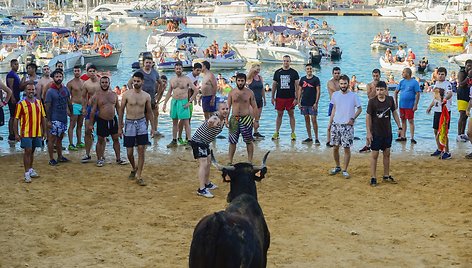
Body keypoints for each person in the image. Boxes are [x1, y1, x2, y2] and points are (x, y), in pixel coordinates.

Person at [118, 72, 155, 186]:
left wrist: (153, 128)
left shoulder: (146, 96)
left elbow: (149, 112)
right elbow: (121, 110)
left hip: (141, 122)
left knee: (141, 150)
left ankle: (139, 175)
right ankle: (134, 168)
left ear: (142, 82)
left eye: (138, 81)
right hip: (129, 123)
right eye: (134, 81)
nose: (136, 83)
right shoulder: (126, 95)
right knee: (129, 152)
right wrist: (120, 126)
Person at [366, 81, 402, 187]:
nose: (380, 92)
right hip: (376, 132)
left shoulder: (390, 100)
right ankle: (373, 177)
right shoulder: (372, 102)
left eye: (381, 90)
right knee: (374, 155)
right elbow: (368, 117)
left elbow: (394, 113)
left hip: (387, 132)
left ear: (386, 90)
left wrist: (400, 126)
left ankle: (386, 175)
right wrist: (368, 132)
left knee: (387, 154)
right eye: (377, 90)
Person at [190, 102, 229, 198]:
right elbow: (211, 120)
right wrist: (211, 122)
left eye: (227, 109)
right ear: (218, 110)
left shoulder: (223, 119)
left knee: (208, 161)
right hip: (198, 141)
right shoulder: (215, 117)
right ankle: (201, 189)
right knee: (203, 163)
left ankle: (207, 183)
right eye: (223, 109)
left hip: (205, 142)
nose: (225, 111)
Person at [328, 75, 362, 179]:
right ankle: (337, 166)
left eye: (345, 83)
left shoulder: (353, 95)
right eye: (341, 84)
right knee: (335, 147)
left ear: (348, 84)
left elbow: (359, 109)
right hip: (336, 124)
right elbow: (334, 108)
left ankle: (345, 169)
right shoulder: (335, 95)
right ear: (339, 84)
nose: (343, 85)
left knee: (346, 148)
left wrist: (352, 119)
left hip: (347, 126)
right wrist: (330, 123)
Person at [89, 76, 127, 166]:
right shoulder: (97, 95)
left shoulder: (114, 94)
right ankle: (99, 159)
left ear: (109, 83)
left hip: (113, 120)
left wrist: (121, 122)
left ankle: (118, 159)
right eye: (103, 82)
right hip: (102, 120)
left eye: (106, 82)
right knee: (100, 140)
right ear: (100, 83)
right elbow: (93, 110)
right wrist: (91, 124)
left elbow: (118, 109)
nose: (104, 84)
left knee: (116, 139)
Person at [13, 82, 46, 183]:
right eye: (29, 90)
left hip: (37, 132)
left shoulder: (39, 102)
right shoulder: (21, 104)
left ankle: (31, 169)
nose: (31, 91)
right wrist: (16, 133)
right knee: (27, 151)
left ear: (35, 91)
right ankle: (26, 172)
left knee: (32, 151)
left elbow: (43, 117)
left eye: (33, 89)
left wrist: (44, 132)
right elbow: (16, 119)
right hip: (26, 132)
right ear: (25, 91)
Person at [162, 62, 198, 148]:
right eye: (177, 68)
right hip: (174, 101)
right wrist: (165, 103)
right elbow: (169, 92)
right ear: (174, 69)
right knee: (174, 122)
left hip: (183, 101)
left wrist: (190, 102)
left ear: (182, 69)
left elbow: (196, 90)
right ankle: (174, 140)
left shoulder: (187, 79)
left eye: (180, 68)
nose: (178, 70)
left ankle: (189, 141)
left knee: (186, 122)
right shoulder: (172, 79)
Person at [227, 73, 259, 164]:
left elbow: (255, 107)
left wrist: (256, 120)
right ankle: (230, 161)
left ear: (245, 81)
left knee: (248, 140)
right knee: (232, 141)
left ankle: (250, 161)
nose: (240, 83)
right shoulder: (232, 92)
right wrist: (225, 119)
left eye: (242, 81)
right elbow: (228, 107)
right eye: (238, 81)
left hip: (246, 119)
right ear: (236, 81)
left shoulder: (249, 92)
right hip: (234, 118)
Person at [128, 57, 163, 139]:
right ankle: (142, 136)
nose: (148, 64)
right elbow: (129, 84)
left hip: (151, 99)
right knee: (142, 119)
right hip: (141, 99)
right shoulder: (138, 72)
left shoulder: (155, 72)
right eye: (146, 62)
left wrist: (158, 95)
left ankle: (152, 133)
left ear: (152, 63)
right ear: (143, 63)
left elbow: (161, 84)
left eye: (149, 63)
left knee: (153, 116)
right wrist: (134, 93)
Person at [44, 69, 72, 166]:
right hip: (54, 118)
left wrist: (71, 114)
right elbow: (47, 107)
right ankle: (51, 158)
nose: (59, 78)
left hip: (63, 118)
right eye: (57, 77)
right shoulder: (50, 91)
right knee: (52, 139)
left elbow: (69, 102)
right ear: (53, 78)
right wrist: (48, 120)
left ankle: (60, 156)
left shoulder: (65, 89)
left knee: (60, 138)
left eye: (60, 76)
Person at [426, 67, 453, 159]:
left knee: (444, 132)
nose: (441, 76)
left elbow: (450, 93)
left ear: (445, 75)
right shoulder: (436, 84)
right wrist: (430, 106)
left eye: (442, 74)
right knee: (435, 130)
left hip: (445, 111)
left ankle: (447, 151)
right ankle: (439, 148)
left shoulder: (447, 84)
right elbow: (436, 98)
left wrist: (445, 99)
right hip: (437, 110)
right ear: (436, 75)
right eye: (439, 74)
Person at [271, 55, 299, 141]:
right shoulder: (277, 72)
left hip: (290, 97)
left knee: (291, 114)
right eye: (284, 61)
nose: (286, 62)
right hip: (280, 97)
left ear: (290, 62)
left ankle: (293, 132)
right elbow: (274, 85)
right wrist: (272, 97)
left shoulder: (294, 72)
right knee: (279, 115)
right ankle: (277, 132)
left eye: (287, 61)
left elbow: (297, 86)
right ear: (282, 62)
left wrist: (297, 98)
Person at [394, 68, 421, 144]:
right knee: (403, 120)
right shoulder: (402, 82)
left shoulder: (414, 82)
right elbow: (396, 92)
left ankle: (412, 137)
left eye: (403, 72)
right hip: (402, 105)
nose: (402, 74)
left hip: (410, 105)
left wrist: (416, 104)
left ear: (408, 73)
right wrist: (396, 103)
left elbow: (418, 94)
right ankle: (403, 136)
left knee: (410, 121)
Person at [81, 64, 101, 162]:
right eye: (90, 71)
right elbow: (84, 97)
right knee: (87, 131)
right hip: (90, 108)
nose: (92, 73)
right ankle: (87, 154)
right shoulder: (86, 84)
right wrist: (84, 108)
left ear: (96, 72)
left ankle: (101, 155)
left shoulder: (101, 81)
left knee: (101, 133)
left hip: (101, 108)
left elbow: (108, 93)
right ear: (87, 73)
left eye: (94, 71)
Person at [178, 63, 202, 144]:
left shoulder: (197, 76)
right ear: (193, 69)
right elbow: (188, 90)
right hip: (185, 100)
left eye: (200, 70)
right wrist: (189, 101)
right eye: (197, 70)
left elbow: (194, 89)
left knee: (188, 119)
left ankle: (186, 137)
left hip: (190, 100)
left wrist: (194, 99)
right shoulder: (189, 77)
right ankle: (180, 137)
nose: (198, 72)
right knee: (183, 119)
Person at [360, 69, 383, 153]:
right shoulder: (369, 85)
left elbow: (386, 95)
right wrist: (375, 88)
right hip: (372, 107)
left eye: (377, 76)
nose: (375, 78)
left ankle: (380, 144)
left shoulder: (383, 85)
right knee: (369, 126)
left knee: (381, 127)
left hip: (381, 107)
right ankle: (367, 145)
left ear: (380, 76)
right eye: (374, 76)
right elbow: (369, 96)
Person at [298, 64, 321, 144]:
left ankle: (317, 138)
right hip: (304, 102)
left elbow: (318, 91)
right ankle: (310, 137)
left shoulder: (316, 79)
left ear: (312, 69)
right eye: (307, 69)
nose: (309, 70)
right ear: (306, 70)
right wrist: (298, 101)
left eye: (310, 69)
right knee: (306, 119)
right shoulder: (303, 79)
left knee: (314, 120)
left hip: (312, 103)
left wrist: (316, 102)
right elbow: (300, 90)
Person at [66, 66, 84, 151]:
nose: (77, 72)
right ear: (73, 72)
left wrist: (85, 106)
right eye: (75, 71)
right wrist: (67, 108)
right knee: (72, 125)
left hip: (82, 105)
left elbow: (85, 96)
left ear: (81, 71)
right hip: (74, 105)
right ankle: (71, 143)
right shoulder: (70, 83)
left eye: (78, 71)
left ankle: (79, 142)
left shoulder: (84, 82)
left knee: (80, 125)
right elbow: (66, 97)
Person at [247, 64, 266, 138]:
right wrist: (252, 71)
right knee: (251, 117)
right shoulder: (250, 78)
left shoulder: (260, 78)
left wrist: (264, 99)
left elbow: (262, 89)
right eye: (257, 69)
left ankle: (256, 132)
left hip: (259, 99)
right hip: (251, 101)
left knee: (258, 117)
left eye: (259, 70)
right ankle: (249, 133)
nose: (258, 71)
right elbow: (246, 80)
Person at [456, 59, 472, 142]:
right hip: (461, 95)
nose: (469, 67)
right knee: (462, 114)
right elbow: (461, 84)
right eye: (468, 65)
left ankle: (462, 134)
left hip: (468, 95)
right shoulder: (462, 73)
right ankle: (459, 135)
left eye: (471, 66)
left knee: (466, 115)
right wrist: (468, 77)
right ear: (465, 65)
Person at [326, 67, 341, 146]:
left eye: (338, 73)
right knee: (331, 122)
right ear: (332, 74)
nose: (337, 75)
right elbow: (336, 91)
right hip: (333, 104)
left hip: (341, 104)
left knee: (341, 122)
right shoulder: (330, 82)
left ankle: (339, 139)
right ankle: (328, 140)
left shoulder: (341, 82)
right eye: (335, 73)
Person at [6, 59, 21, 142]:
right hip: (13, 97)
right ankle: (11, 133)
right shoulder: (11, 74)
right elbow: (10, 87)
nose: (17, 66)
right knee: (12, 116)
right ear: (11, 65)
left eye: (17, 64)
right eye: (15, 64)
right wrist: (12, 97)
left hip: (17, 96)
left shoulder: (15, 74)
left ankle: (14, 132)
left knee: (15, 116)